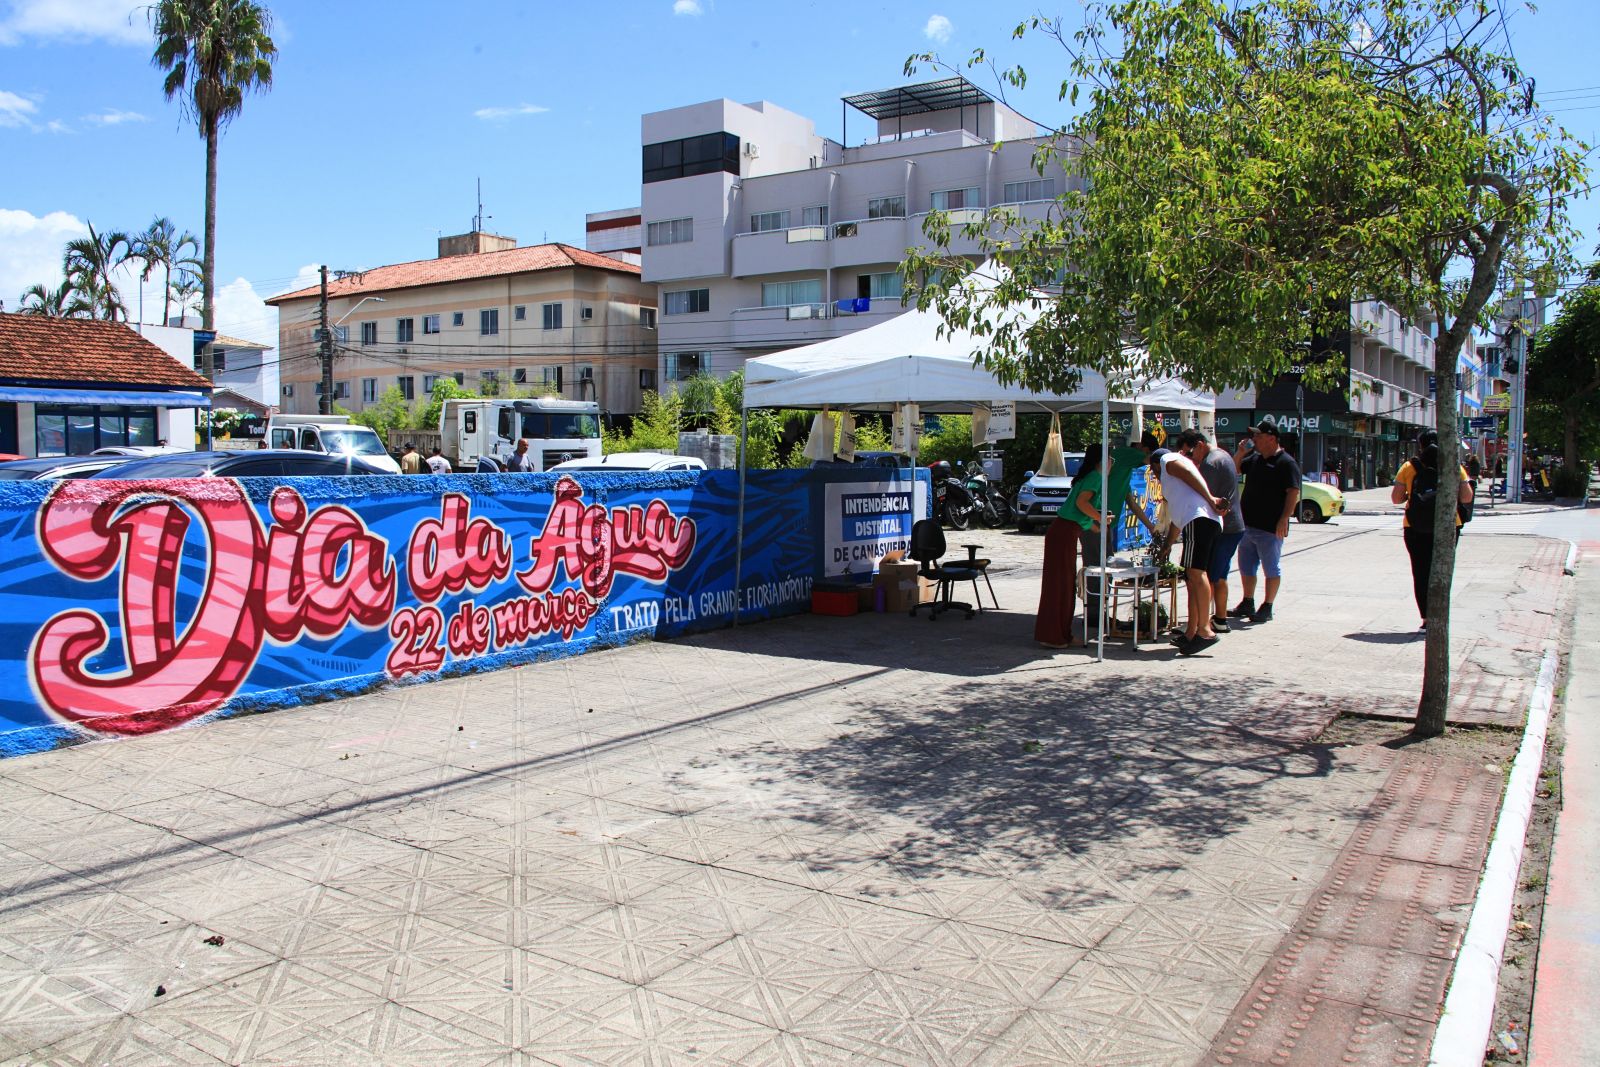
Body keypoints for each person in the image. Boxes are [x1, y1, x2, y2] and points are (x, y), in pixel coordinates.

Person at [1149, 448, 1228, 655]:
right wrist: (1167, 544)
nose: (1154, 475)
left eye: (1152, 470)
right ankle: (1192, 632)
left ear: (1155, 464)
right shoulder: (1174, 485)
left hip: (1199, 519)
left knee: (1196, 573)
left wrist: (1211, 499)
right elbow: (1177, 518)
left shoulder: (1168, 460)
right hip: (1202, 521)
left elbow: (1186, 472)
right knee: (1191, 577)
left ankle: (1205, 631)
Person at [1391, 430, 1473, 630]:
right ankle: (1441, 615)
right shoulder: (1454, 466)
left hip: (1415, 526)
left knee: (1421, 572)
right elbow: (1466, 497)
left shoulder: (1409, 467)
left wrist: (1415, 495)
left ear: (1420, 446)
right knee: (1443, 570)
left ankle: (1427, 619)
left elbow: (1396, 498)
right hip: (1448, 525)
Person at [1231, 423, 1302, 624]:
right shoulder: (1255, 458)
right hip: (1248, 524)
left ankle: (1268, 605)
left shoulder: (1286, 463)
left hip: (1270, 527)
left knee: (1270, 568)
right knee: (1246, 567)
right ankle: (1247, 601)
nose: (1255, 439)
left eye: (1259, 436)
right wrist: (1240, 452)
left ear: (1271, 438)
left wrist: (1284, 518)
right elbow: (1235, 468)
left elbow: (1293, 492)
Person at [1176, 429, 1244, 634]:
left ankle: (1202, 625)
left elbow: (1203, 497)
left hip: (1222, 526)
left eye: (1189, 453)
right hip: (1232, 526)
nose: (1190, 458)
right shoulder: (1223, 455)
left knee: (1205, 576)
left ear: (1199, 445)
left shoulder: (1210, 464)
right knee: (1218, 575)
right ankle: (1218, 619)